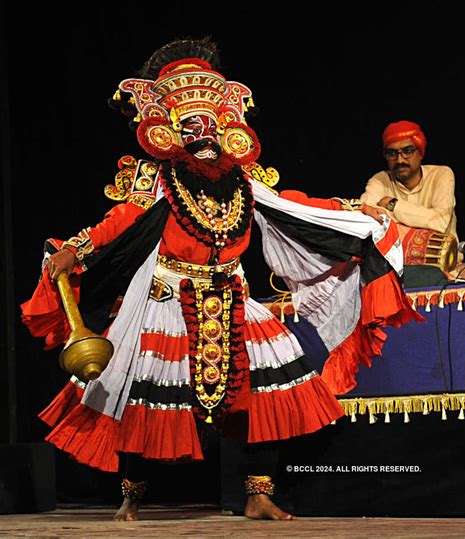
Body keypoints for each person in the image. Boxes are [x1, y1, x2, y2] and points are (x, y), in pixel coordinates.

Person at [20, 38, 421, 522]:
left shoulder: (244, 182)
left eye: (211, 126)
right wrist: (74, 249)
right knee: (145, 404)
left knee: (268, 401)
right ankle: (131, 496)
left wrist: (355, 212)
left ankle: (258, 494)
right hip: (168, 301)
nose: (203, 135)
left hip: (234, 298)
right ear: (171, 132)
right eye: (191, 127)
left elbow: (298, 206)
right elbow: (119, 221)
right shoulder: (159, 180)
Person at [360, 120, 459, 239]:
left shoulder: (441, 175)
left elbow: (439, 222)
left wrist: (392, 205)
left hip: (443, 256)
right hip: (395, 257)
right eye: (392, 153)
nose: (400, 160)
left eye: (408, 151)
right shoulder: (380, 180)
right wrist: (424, 219)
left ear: (421, 153)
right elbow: (365, 215)